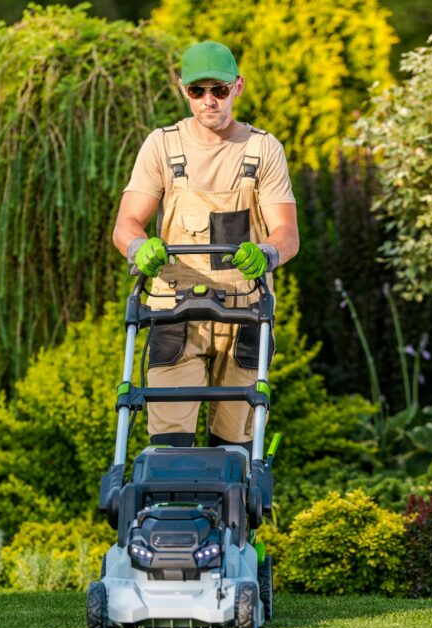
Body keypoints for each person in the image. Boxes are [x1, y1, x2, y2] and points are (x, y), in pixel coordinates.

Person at [112, 40, 299, 450]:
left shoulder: (262, 149)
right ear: (184, 90)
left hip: (244, 310)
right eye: (198, 91)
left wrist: (266, 252)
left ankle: (230, 512)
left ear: (238, 87)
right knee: (169, 444)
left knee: (233, 448)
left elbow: (286, 232)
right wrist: (138, 247)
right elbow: (126, 223)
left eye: (219, 89)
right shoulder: (163, 145)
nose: (209, 100)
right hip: (176, 310)